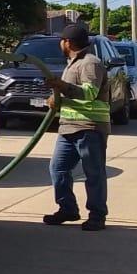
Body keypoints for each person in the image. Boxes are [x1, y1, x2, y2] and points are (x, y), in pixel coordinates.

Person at [41, 22, 110, 231]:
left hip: (89, 128)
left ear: (67, 42)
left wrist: (62, 87)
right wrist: (56, 100)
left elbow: (89, 93)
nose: (60, 44)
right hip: (68, 128)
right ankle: (68, 209)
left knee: (93, 173)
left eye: (62, 40)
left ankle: (97, 216)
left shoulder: (90, 63)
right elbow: (69, 95)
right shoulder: (72, 63)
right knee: (58, 168)